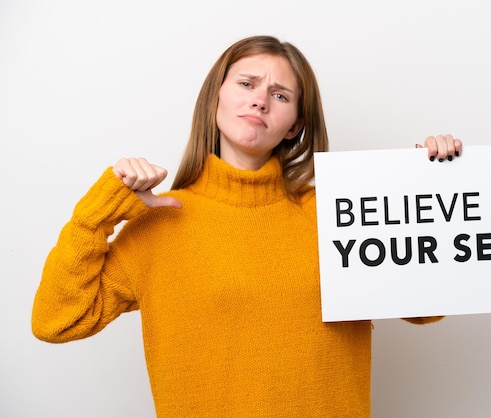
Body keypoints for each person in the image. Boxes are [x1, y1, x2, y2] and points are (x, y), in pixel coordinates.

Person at [32, 35, 463, 417]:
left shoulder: (339, 213)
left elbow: (424, 309)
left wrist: (425, 195)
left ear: (296, 124)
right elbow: (56, 321)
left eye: (280, 95)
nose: (259, 100)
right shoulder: (160, 222)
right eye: (246, 84)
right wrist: (97, 213)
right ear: (215, 98)